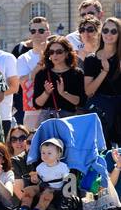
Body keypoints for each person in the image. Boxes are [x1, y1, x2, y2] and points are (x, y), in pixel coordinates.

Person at [83, 16, 121, 144]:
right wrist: (104, 72)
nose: (108, 34)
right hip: (100, 110)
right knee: (102, 148)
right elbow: (89, 92)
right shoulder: (91, 59)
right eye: (105, 30)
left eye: (113, 31)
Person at [32, 37, 86, 119]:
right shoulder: (42, 74)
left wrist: (63, 93)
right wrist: (46, 93)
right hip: (48, 118)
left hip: (69, 118)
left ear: (67, 53)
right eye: (51, 52)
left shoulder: (77, 73)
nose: (55, 55)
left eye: (59, 52)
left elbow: (81, 102)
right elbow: (37, 104)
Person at [16, 17, 51, 131]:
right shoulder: (23, 58)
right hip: (32, 108)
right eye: (33, 31)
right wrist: (38, 67)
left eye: (41, 31)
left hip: (56, 106)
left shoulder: (58, 52)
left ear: (48, 33)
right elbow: (23, 83)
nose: (37, 34)